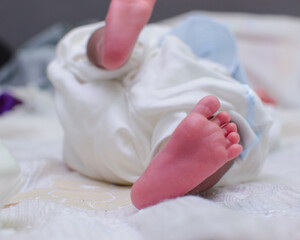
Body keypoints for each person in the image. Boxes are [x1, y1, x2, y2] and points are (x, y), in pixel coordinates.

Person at [47, 0, 273, 209]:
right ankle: (179, 177)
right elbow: (248, 104)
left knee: (86, 52)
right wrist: (253, 97)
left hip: (87, 131)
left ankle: (107, 51)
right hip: (135, 154)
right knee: (232, 131)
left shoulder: (159, 44)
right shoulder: (201, 72)